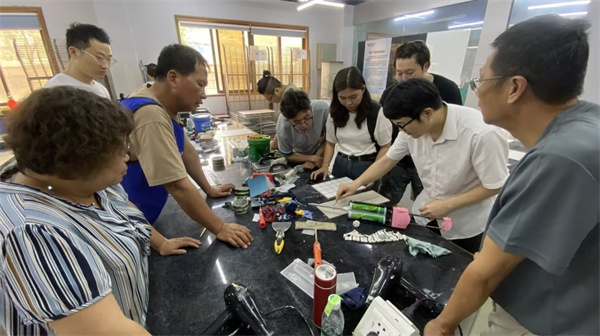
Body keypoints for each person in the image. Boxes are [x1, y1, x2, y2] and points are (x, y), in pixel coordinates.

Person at [424, 15, 598, 336]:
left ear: (514, 87)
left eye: (480, 81)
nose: (476, 93)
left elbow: (486, 272)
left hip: (546, 321)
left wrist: (441, 324)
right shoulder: (584, 131)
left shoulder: (560, 157)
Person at [0, 86, 200, 335]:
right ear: (78, 158)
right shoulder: (34, 232)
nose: (128, 156)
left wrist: (160, 243)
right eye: (119, 150)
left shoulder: (84, 183)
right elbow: (107, 330)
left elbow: (122, 209)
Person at [337, 78, 508, 253]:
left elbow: (495, 186)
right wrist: (355, 184)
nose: (402, 131)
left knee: (453, 272)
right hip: (425, 215)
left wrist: (449, 205)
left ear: (427, 114)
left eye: (402, 125)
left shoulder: (481, 134)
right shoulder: (411, 127)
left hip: (464, 226)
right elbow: (388, 160)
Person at [121, 44, 253, 249]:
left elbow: (186, 150)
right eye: (200, 84)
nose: (204, 94)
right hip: (133, 224)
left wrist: (209, 188)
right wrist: (220, 227)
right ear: (173, 78)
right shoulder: (151, 114)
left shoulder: (152, 97)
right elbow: (176, 185)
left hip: (146, 217)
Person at [379, 41, 464, 205]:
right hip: (400, 159)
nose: (403, 80)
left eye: (410, 73)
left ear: (425, 66)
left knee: (430, 206)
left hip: (434, 162)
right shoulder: (391, 94)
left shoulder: (448, 89)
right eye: (399, 73)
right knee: (386, 203)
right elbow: (391, 143)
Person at [310, 66, 392, 183]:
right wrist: (325, 166)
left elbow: (385, 147)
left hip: (365, 165)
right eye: (342, 98)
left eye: (353, 97)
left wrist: (374, 175)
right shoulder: (335, 112)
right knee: (335, 199)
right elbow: (330, 142)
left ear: (363, 89)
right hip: (340, 164)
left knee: (363, 200)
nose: (348, 103)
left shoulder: (377, 112)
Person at [44, 23, 114, 99]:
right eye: (99, 58)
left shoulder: (101, 90)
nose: (105, 66)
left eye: (108, 59)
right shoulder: (54, 91)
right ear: (73, 52)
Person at [277, 90, 328, 170]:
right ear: (287, 120)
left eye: (306, 117)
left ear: (310, 108)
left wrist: (316, 157)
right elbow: (287, 155)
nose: (304, 125)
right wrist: (311, 158)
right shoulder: (282, 128)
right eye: (296, 122)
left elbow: (329, 139)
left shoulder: (323, 110)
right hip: (298, 156)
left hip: (320, 152)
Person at [257, 70, 299, 150]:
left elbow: (283, 126)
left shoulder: (290, 96)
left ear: (276, 90)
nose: (271, 102)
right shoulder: (290, 89)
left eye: (270, 99)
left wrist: (273, 144)